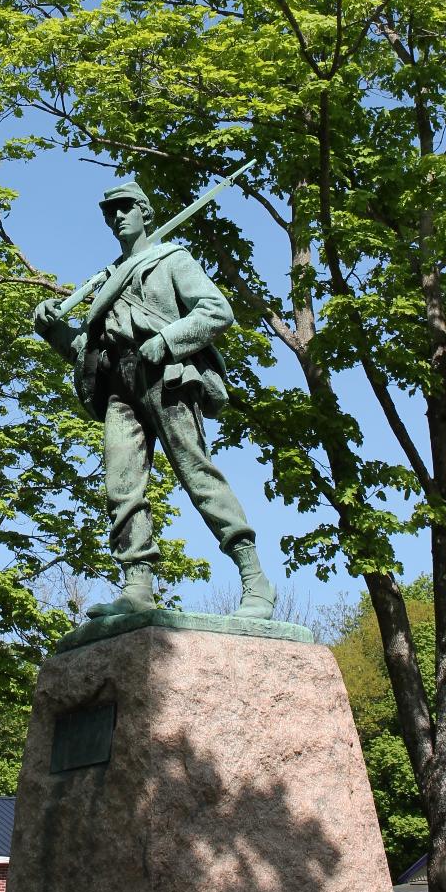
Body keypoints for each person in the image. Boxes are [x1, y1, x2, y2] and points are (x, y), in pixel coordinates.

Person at [33, 179, 276, 620]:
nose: (117, 216)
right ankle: (137, 585)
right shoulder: (103, 282)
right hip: (118, 385)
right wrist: (52, 328)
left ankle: (255, 578)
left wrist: (166, 339)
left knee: (197, 474)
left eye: (126, 208)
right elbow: (85, 349)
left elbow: (217, 310)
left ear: (145, 212)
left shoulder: (172, 260)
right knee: (120, 486)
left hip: (165, 377)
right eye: (111, 212)